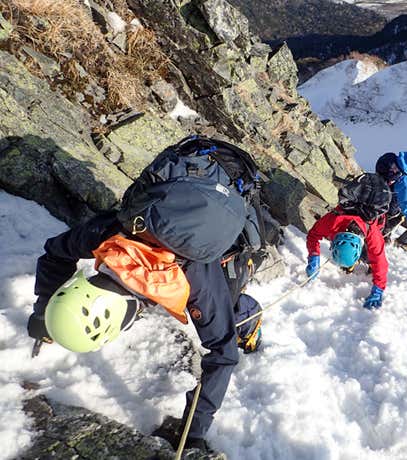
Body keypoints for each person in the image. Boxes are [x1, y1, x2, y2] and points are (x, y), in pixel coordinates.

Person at [26, 136, 265, 453]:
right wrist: (46, 314)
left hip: (215, 243)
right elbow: (55, 253)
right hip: (190, 187)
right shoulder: (110, 232)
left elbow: (223, 354)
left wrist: (192, 433)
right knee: (217, 317)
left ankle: (250, 320)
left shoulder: (195, 280)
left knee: (230, 306)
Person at [305, 173, 391, 309]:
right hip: (356, 212)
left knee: (370, 257)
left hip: (371, 214)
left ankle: (357, 261)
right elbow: (313, 235)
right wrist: (313, 257)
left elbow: (380, 261)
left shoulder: (372, 232)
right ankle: (349, 262)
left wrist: (378, 289)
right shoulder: (332, 221)